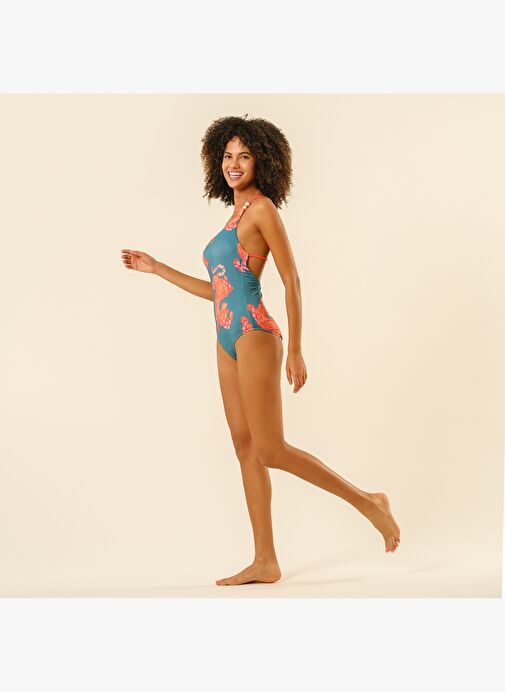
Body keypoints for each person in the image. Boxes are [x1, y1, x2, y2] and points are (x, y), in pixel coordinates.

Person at [121, 115, 400, 586]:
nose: (234, 164)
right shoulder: (232, 218)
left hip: (254, 332)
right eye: (228, 156)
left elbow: (292, 280)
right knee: (245, 447)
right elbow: (218, 291)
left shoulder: (263, 210)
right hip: (225, 337)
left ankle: (369, 502)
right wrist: (158, 268)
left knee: (270, 448)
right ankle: (265, 560)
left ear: (262, 162)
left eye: (244, 156)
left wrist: (297, 349)